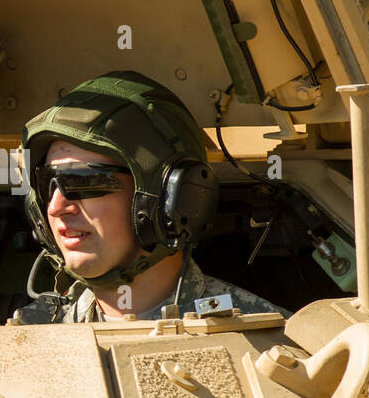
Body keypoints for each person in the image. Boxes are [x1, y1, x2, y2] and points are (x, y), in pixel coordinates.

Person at [16, 70, 283, 323]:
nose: (55, 207)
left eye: (84, 181)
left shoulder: (270, 343)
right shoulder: (22, 344)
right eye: (46, 184)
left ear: (172, 199)